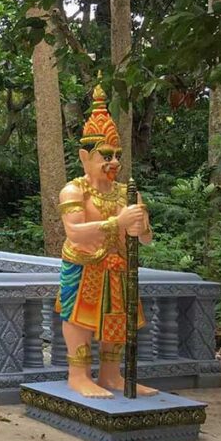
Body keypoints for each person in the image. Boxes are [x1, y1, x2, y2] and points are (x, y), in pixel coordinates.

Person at [56, 81, 156, 398]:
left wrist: (141, 228)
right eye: (106, 155)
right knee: (79, 319)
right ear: (85, 157)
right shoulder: (73, 190)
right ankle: (78, 375)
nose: (113, 162)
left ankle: (112, 375)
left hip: (118, 269)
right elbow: (74, 231)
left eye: (117, 155)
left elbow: (145, 240)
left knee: (117, 321)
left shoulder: (127, 192)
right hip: (84, 266)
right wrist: (118, 221)